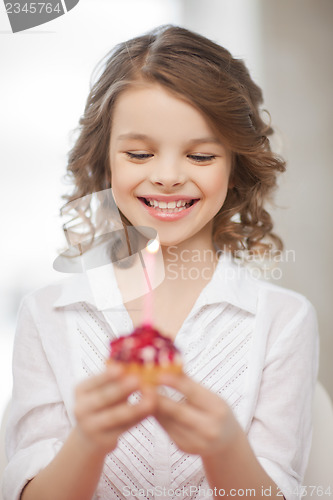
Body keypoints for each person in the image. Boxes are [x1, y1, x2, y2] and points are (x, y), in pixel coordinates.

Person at [3, 25, 319, 500]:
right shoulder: (47, 315)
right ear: (105, 160)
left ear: (235, 165)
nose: (168, 176)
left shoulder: (283, 320)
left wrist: (226, 447)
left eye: (199, 155)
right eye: (139, 153)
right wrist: (88, 443)